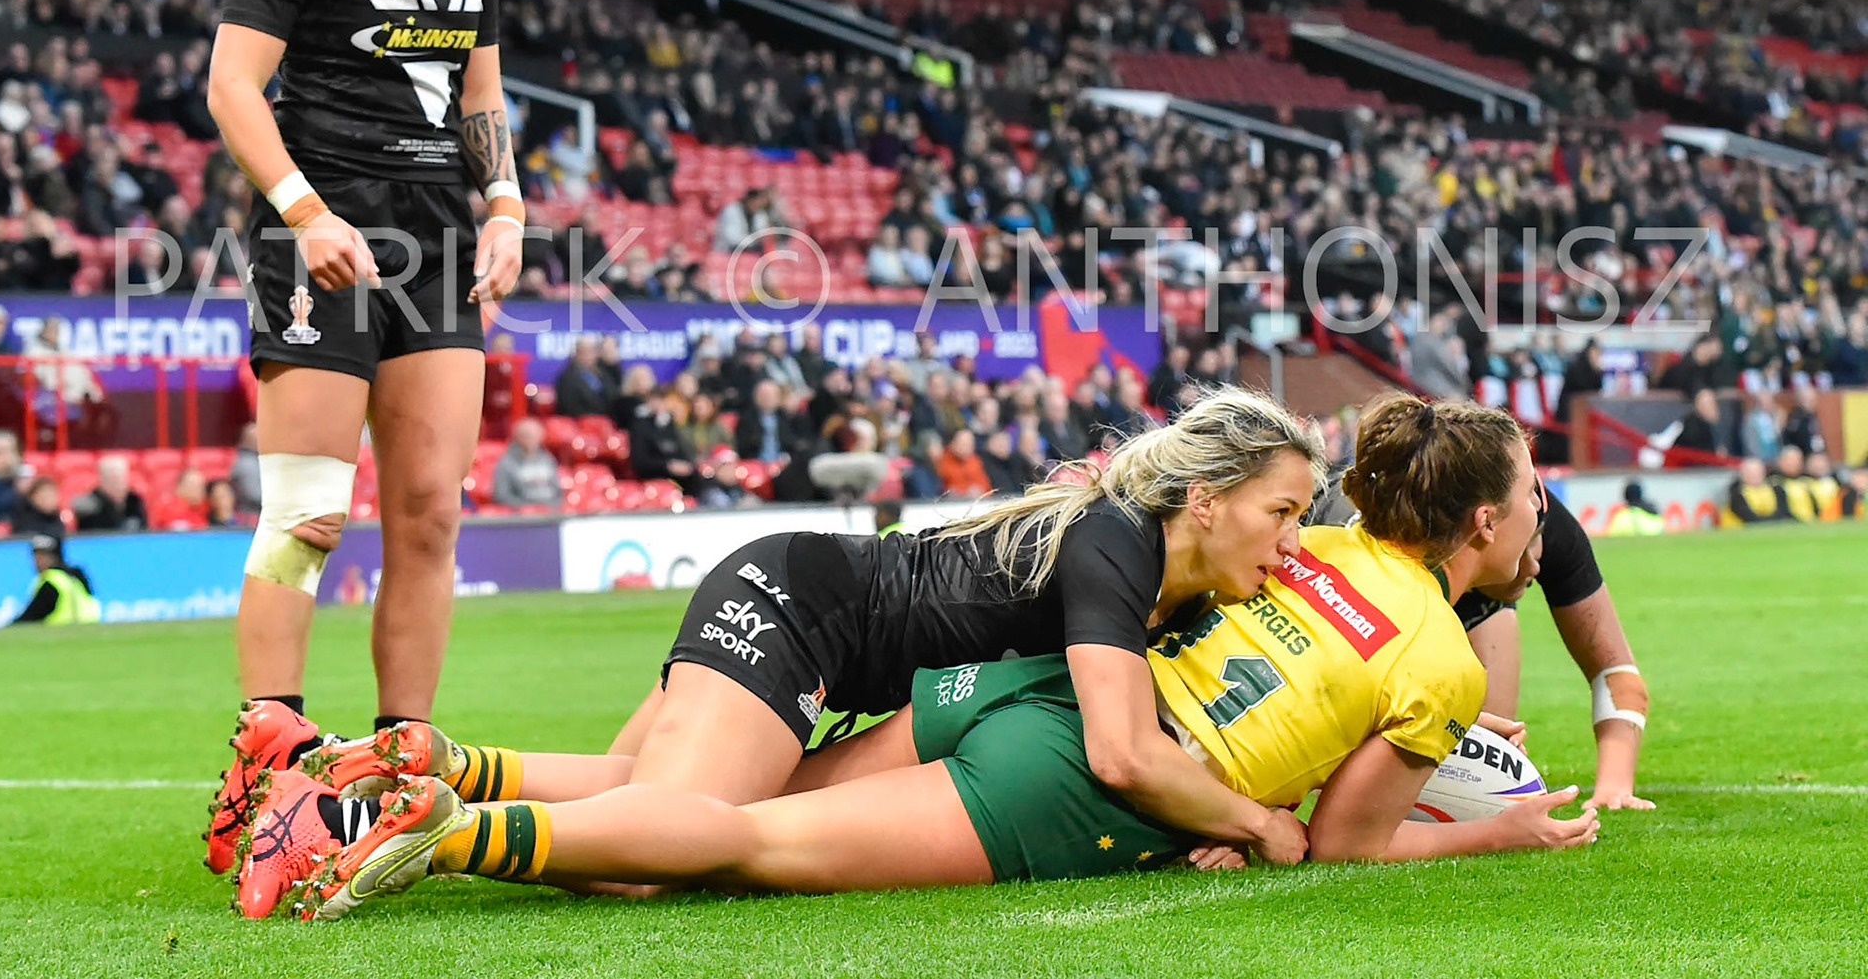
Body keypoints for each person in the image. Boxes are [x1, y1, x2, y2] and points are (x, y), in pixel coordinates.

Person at [245, 394, 1589, 919]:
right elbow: (1126, 747)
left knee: (640, 788)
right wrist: (1254, 821)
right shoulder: (1122, 549)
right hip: (807, 617)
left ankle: (401, 767)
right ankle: (432, 824)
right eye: (1286, 512)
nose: (1300, 540)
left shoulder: (1185, 564)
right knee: (686, 847)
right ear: (1208, 496)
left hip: (864, 641)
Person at [200, 0, 518, 877]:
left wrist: (505, 205)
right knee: (308, 514)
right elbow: (234, 85)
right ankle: (269, 776)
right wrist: (304, 211)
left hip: (439, 242)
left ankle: (397, 768)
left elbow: (480, 89)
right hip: (318, 238)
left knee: (430, 508)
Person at [1453, 485, 1654, 812]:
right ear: (1484, 524)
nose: (1534, 566)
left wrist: (1614, 787)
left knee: (1486, 772)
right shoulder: (1386, 554)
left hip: (1479, 595)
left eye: (1537, 538)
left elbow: (1618, 676)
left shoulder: (1555, 528)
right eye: (1523, 546)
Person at [8, 534, 100, 626]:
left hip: (62, 631)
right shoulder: (76, 575)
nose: (37, 562)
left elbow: (30, 616)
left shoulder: (51, 581)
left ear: (54, 557)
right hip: (91, 627)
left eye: (42, 557)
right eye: (36, 557)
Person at [491, 418, 562, 510]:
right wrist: (526, 508)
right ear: (517, 437)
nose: (530, 439)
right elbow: (501, 496)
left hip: (549, 514)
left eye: (534, 435)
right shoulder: (506, 463)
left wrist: (552, 507)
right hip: (521, 518)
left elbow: (558, 492)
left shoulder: (547, 460)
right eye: (526, 435)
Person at [71, 455, 149, 533]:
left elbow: (143, 531)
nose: (115, 482)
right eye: (110, 478)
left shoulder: (135, 501)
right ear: (100, 479)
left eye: (119, 477)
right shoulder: (88, 506)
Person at [552, 338, 613, 418]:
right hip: (581, 423)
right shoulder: (567, 377)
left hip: (607, 421)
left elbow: (614, 396)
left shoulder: (603, 373)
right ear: (575, 354)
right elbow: (569, 408)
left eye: (592, 351)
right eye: (584, 351)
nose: (589, 356)